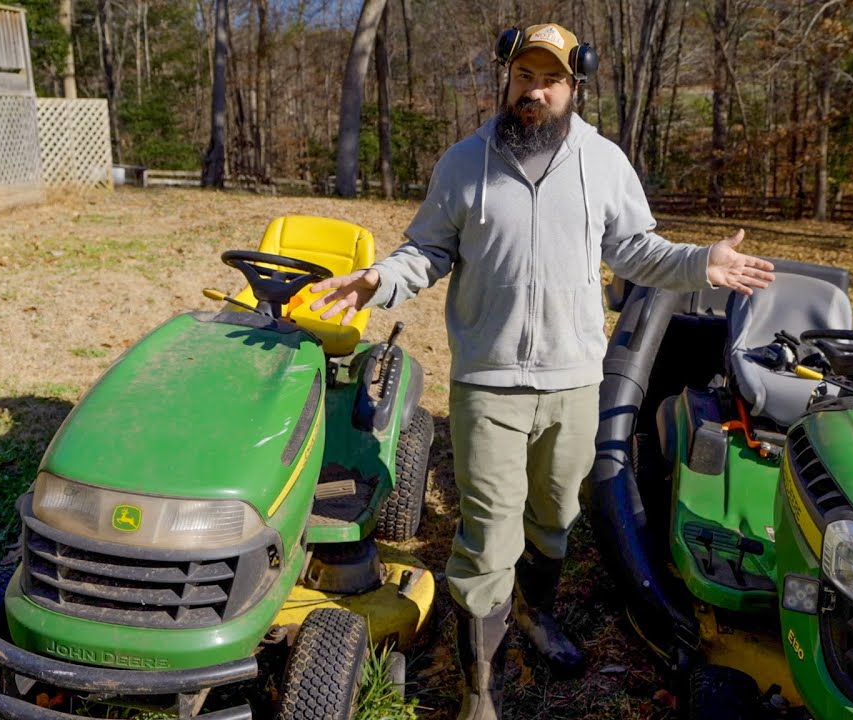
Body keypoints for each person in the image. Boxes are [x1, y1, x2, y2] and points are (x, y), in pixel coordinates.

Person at [310, 22, 775, 720]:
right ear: (508, 79)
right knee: (488, 535)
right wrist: (379, 281)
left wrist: (696, 262)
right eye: (525, 77)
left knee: (555, 517)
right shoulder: (465, 163)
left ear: (573, 85)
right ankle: (480, 693)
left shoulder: (604, 162)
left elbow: (637, 251)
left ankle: (535, 612)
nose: (536, 91)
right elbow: (427, 251)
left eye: (550, 79)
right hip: (489, 383)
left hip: (575, 381)